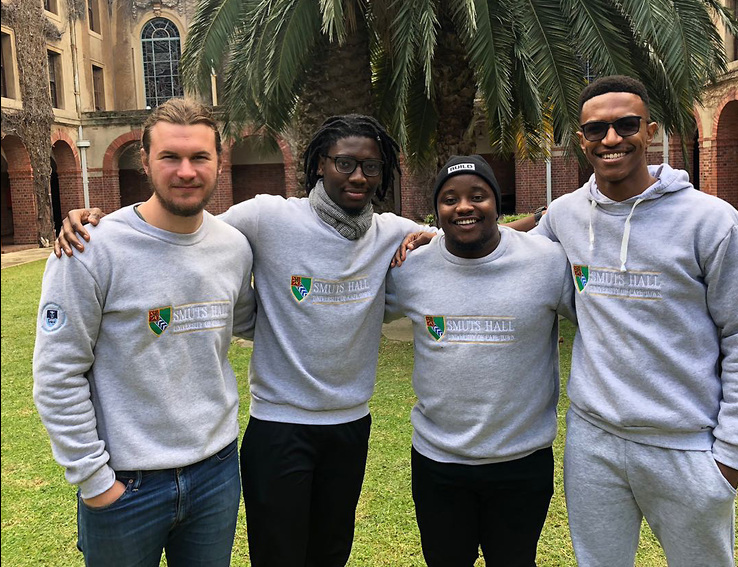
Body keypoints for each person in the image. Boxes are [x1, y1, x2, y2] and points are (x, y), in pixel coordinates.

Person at [54, 115, 437, 566]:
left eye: (370, 167)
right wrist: (98, 221)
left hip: (350, 424)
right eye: (345, 162)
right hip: (277, 425)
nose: (358, 176)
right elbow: (190, 230)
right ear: (318, 165)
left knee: (333, 551)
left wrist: (432, 238)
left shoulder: (393, 232)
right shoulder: (264, 217)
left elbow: (469, 235)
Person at [534, 75, 738, 566]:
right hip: (594, 441)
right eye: (595, 129)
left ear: (651, 131)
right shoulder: (565, 215)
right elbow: (516, 252)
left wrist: (729, 455)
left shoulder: (712, 221)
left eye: (626, 125)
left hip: (687, 445)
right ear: (581, 140)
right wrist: (439, 236)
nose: (611, 139)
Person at [33, 98, 257, 566]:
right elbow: (57, 374)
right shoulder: (91, 249)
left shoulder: (233, 247)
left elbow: (255, 321)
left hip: (215, 473)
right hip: (125, 483)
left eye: (200, 157)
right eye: (170, 157)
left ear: (219, 160)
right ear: (145, 160)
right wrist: (96, 482)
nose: (186, 171)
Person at [385, 156, 575, 566]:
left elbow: (602, 318)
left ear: (497, 202)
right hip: (438, 462)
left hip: (522, 462)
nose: (464, 207)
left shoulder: (546, 261)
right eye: (450, 199)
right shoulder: (410, 269)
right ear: (437, 211)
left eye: (478, 196)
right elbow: (354, 303)